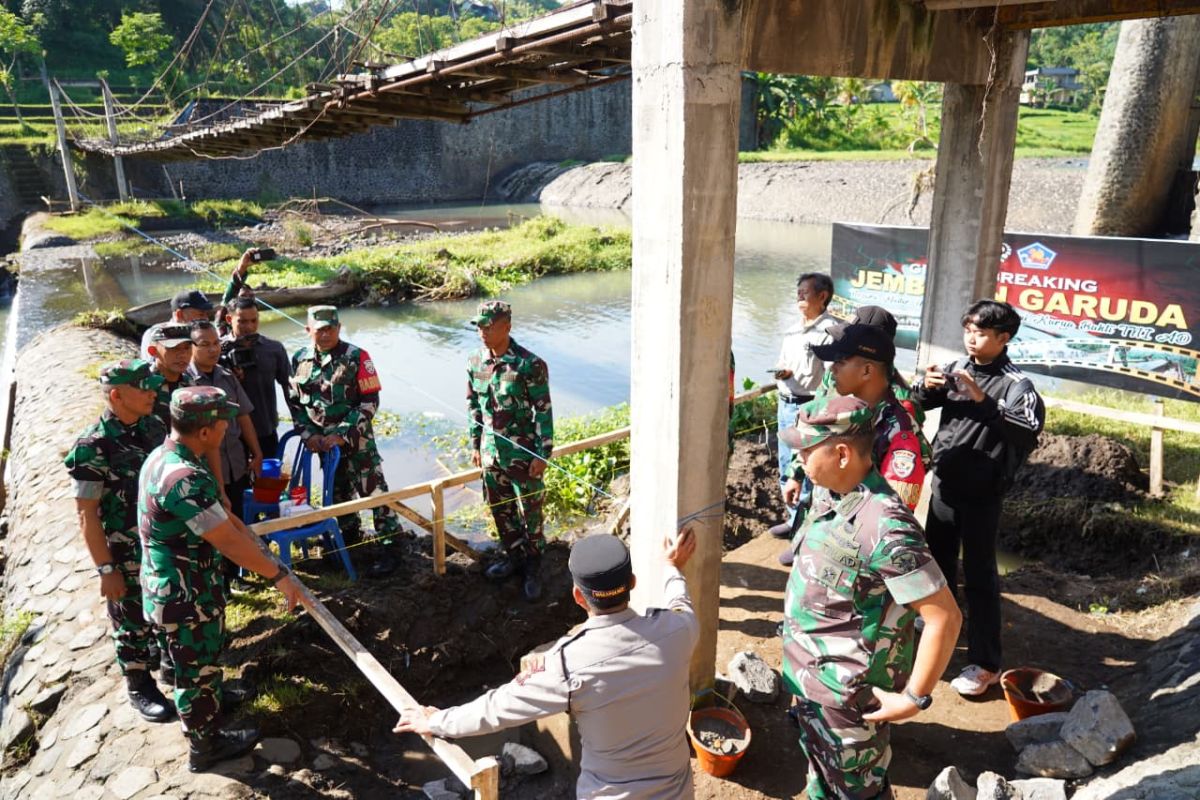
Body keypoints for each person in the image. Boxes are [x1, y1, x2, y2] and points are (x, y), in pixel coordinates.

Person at [394, 529, 699, 799]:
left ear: (578, 597)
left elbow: (496, 709)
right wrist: (671, 567)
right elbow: (680, 602)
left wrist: (435, 721)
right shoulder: (679, 630)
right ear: (632, 582)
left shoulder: (566, 664)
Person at [779, 396, 962, 800]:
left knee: (859, 792)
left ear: (842, 453)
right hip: (810, 684)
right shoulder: (830, 493)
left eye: (808, 449)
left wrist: (914, 698)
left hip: (848, 700)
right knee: (821, 779)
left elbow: (944, 618)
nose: (800, 457)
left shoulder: (886, 526)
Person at [139, 386, 303, 771]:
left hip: (181, 586)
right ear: (206, 432)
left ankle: (210, 702)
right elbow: (226, 540)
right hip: (184, 595)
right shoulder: (183, 478)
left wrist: (257, 546)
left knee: (198, 664)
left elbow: (226, 521)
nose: (229, 425)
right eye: (222, 420)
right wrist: (278, 575)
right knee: (194, 671)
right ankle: (205, 746)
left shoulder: (168, 457)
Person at [911, 300, 1044, 697]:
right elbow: (918, 406)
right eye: (968, 328)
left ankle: (985, 663)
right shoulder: (957, 369)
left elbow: (1026, 432)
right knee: (938, 563)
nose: (971, 337)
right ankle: (942, 625)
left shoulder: (1018, 385)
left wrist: (982, 400)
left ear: (1004, 338)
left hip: (984, 494)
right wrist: (925, 388)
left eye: (981, 332)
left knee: (982, 577)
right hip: (945, 484)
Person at [64, 359, 174, 723]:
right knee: (130, 621)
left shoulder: (153, 425)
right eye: (143, 388)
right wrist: (105, 568)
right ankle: (139, 686)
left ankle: (171, 668)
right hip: (124, 552)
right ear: (116, 395)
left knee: (167, 608)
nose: (152, 393)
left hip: (160, 541)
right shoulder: (92, 446)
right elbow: (87, 514)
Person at [289, 305, 403, 579]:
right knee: (337, 492)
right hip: (323, 446)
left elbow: (370, 401)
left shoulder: (358, 357)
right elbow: (295, 405)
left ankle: (391, 548)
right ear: (308, 331)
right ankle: (349, 542)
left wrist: (343, 433)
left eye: (331, 329)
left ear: (339, 328)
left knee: (374, 492)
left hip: (356, 441)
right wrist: (309, 436)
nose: (326, 334)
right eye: (320, 330)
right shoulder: (299, 359)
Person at [466, 300, 554, 602]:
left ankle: (534, 564)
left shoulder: (529, 364)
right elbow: (473, 408)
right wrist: (475, 445)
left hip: (524, 454)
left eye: (488, 326)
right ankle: (514, 556)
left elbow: (543, 412)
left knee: (531, 512)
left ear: (507, 326)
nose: (482, 332)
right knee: (499, 509)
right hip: (491, 454)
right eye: (478, 326)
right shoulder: (475, 362)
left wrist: (543, 454)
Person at [768, 273, 837, 538]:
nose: (799, 296)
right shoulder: (793, 328)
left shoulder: (830, 332)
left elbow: (833, 378)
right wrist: (781, 373)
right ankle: (792, 519)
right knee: (787, 462)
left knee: (808, 467)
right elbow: (783, 361)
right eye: (798, 292)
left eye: (805, 292)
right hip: (785, 404)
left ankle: (803, 529)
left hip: (810, 407)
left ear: (822, 296)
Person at [187, 320, 263, 523]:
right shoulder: (185, 383)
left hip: (236, 465)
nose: (213, 349)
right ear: (190, 346)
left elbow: (243, 416)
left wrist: (257, 453)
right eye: (204, 344)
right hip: (206, 471)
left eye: (216, 343)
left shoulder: (227, 376)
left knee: (240, 517)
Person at [221, 296, 292, 459]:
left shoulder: (273, 349)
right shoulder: (217, 352)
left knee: (268, 482)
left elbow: (290, 388)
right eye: (243, 322)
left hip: (265, 430)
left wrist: (300, 425)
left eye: (254, 321)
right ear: (229, 319)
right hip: (230, 437)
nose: (249, 327)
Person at [140, 290, 214, 360]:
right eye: (201, 314)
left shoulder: (207, 331)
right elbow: (150, 367)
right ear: (180, 314)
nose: (206, 319)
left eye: (206, 315)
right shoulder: (155, 334)